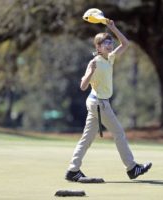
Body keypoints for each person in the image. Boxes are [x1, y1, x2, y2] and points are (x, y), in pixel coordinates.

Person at [65, 19, 152, 181]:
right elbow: (83, 86)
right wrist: (91, 72)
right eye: (106, 44)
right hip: (99, 103)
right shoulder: (94, 62)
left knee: (87, 138)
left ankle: (72, 170)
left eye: (110, 43)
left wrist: (113, 28)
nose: (110, 46)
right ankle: (132, 168)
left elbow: (125, 43)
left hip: (97, 103)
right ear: (98, 47)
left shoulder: (110, 58)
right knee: (119, 133)